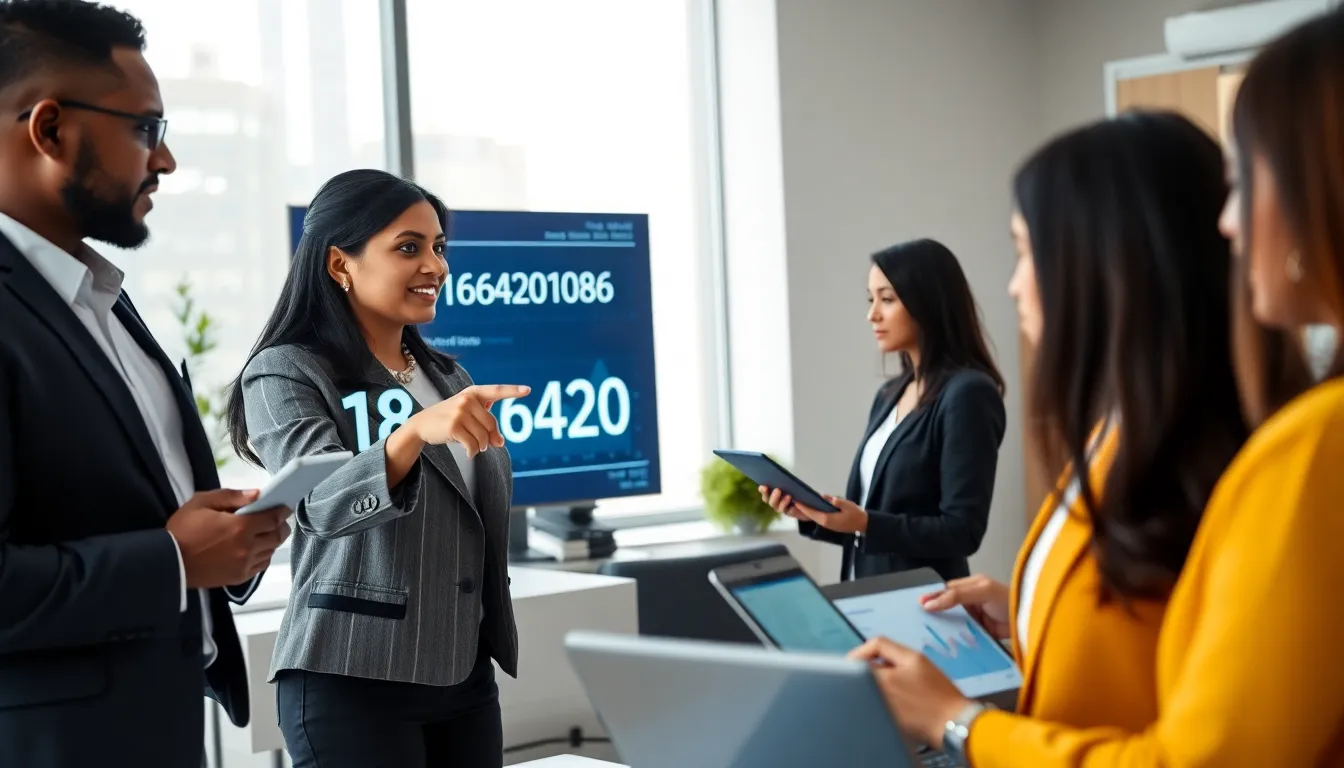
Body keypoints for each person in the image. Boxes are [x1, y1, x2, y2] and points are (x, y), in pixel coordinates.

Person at [853, 12, 1344, 763]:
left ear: (1098, 266)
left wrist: (958, 722)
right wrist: (1027, 615)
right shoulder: (1119, 435)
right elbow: (1178, 638)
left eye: (1024, 253)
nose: (1231, 223)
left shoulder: (1309, 445)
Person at [0, 2, 291, 766]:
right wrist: (173, 560)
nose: (165, 161)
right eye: (146, 129)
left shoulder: (101, 296)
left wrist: (225, 543)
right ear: (51, 129)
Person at [226, 169, 530, 768]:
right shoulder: (285, 372)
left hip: (462, 674)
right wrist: (412, 433)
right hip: (351, 675)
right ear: (341, 265)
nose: (435, 266)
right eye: (408, 247)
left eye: (439, 247)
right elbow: (320, 504)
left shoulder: (449, 378)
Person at [762, 238, 1006, 582]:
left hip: (922, 607)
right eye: (871, 298)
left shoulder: (968, 395)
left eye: (887, 299)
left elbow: (962, 531)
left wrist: (864, 521)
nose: (872, 314)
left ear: (928, 304)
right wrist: (813, 514)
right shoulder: (889, 394)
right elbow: (871, 530)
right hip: (866, 597)